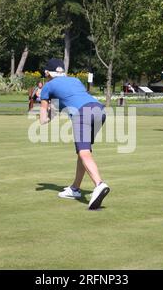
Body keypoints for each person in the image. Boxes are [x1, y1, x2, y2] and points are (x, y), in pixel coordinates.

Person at [39, 58, 110, 210]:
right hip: (99, 110)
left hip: (82, 113)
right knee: (84, 152)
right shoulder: (75, 81)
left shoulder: (48, 86)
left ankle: (99, 184)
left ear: (47, 73)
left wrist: (42, 99)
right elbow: (62, 105)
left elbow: (43, 119)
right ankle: (75, 188)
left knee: (84, 152)